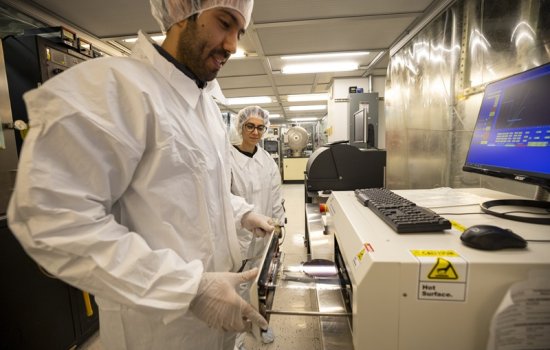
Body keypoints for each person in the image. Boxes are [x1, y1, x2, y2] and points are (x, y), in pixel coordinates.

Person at [7, 1, 275, 349]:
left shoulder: (206, 107)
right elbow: (55, 222)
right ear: (181, 12)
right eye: (225, 23)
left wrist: (242, 213)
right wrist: (189, 289)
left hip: (217, 321)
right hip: (156, 329)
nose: (232, 45)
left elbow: (202, 189)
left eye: (239, 32)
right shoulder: (112, 89)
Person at [230, 106, 285, 349]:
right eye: (250, 126)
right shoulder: (227, 160)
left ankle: (262, 325)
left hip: (264, 237)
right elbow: (222, 200)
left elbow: (275, 197)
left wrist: (278, 225)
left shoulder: (267, 162)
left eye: (260, 127)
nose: (255, 132)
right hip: (236, 238)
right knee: (237, 290)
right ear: (240, 127)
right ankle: (238, 337)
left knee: (262, 286)